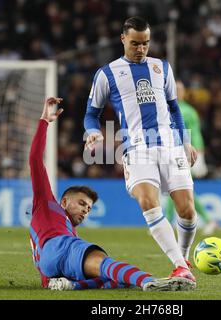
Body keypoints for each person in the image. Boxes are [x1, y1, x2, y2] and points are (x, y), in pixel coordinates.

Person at [29, 97, 195, 292]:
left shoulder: (66, 229)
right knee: (107, 265)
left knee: (113, 280)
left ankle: (72, 285)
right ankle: (149, 281)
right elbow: (35, 160)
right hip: (60, 247)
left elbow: (46, 265)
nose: (85, 211)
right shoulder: (46, 203)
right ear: (64, 201)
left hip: (49, 268)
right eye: (82, 203)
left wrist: (50, 281)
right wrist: (44, 122)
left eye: (89, 208)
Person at [83, 16, 198, 282]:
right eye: (135, 43)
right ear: (123, 39)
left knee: (188, 211)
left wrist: (186, 141)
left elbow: (174, 108)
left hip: (170, 146)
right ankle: (180, 266)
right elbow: (91, 113)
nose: (141, 49)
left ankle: (182, 260)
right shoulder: (107, 74)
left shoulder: (162, 68)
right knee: (148, 202)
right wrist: (92, 133)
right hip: (137, 148)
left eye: (145, 43)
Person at [165, 80, 219, 235]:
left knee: (174, 187)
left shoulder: (187, 111)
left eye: (180, 89)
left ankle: (168, 222)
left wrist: (199, 154)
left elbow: (195, 133)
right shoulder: (166, 109)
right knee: (179, 189)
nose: (177, 91)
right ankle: (209, 220)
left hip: (185, 153)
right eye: (175, 89)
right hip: (171, 152)